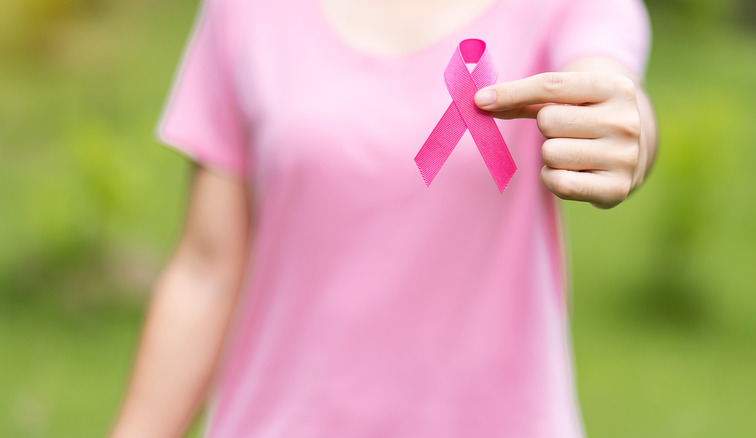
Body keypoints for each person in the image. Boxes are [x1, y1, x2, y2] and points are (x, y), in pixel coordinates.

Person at [111, 0, 656, 436]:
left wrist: (626, 134)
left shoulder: (564, 8)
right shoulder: (246, 11)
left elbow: (608, 84)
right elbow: (207, 271)